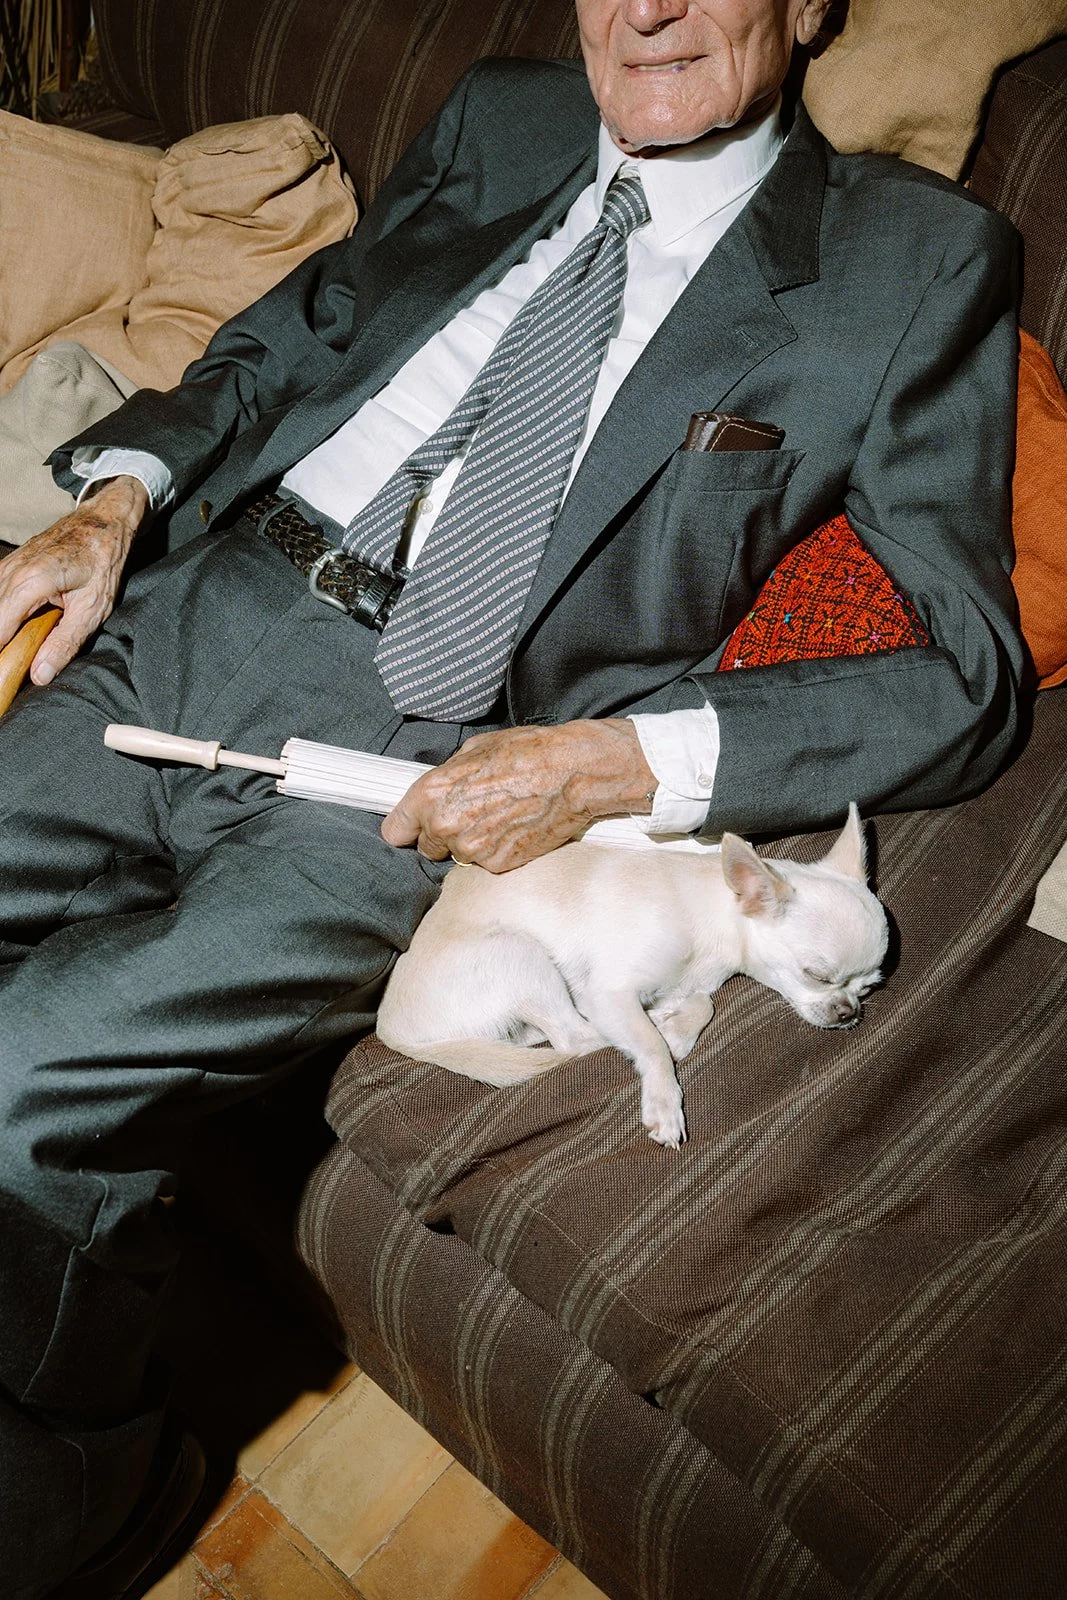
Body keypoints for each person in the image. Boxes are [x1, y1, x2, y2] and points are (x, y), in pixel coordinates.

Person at [0, 0, 1022, 1594]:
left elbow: (966, 669)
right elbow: (307, 323)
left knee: (22, 1072)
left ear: (810, 5)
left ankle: (80, 1502)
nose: (648, 9)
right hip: (192, 616)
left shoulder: (914, 259)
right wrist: (120, 499)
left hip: (422, 767)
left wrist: (622, 760)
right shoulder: (507, 116)